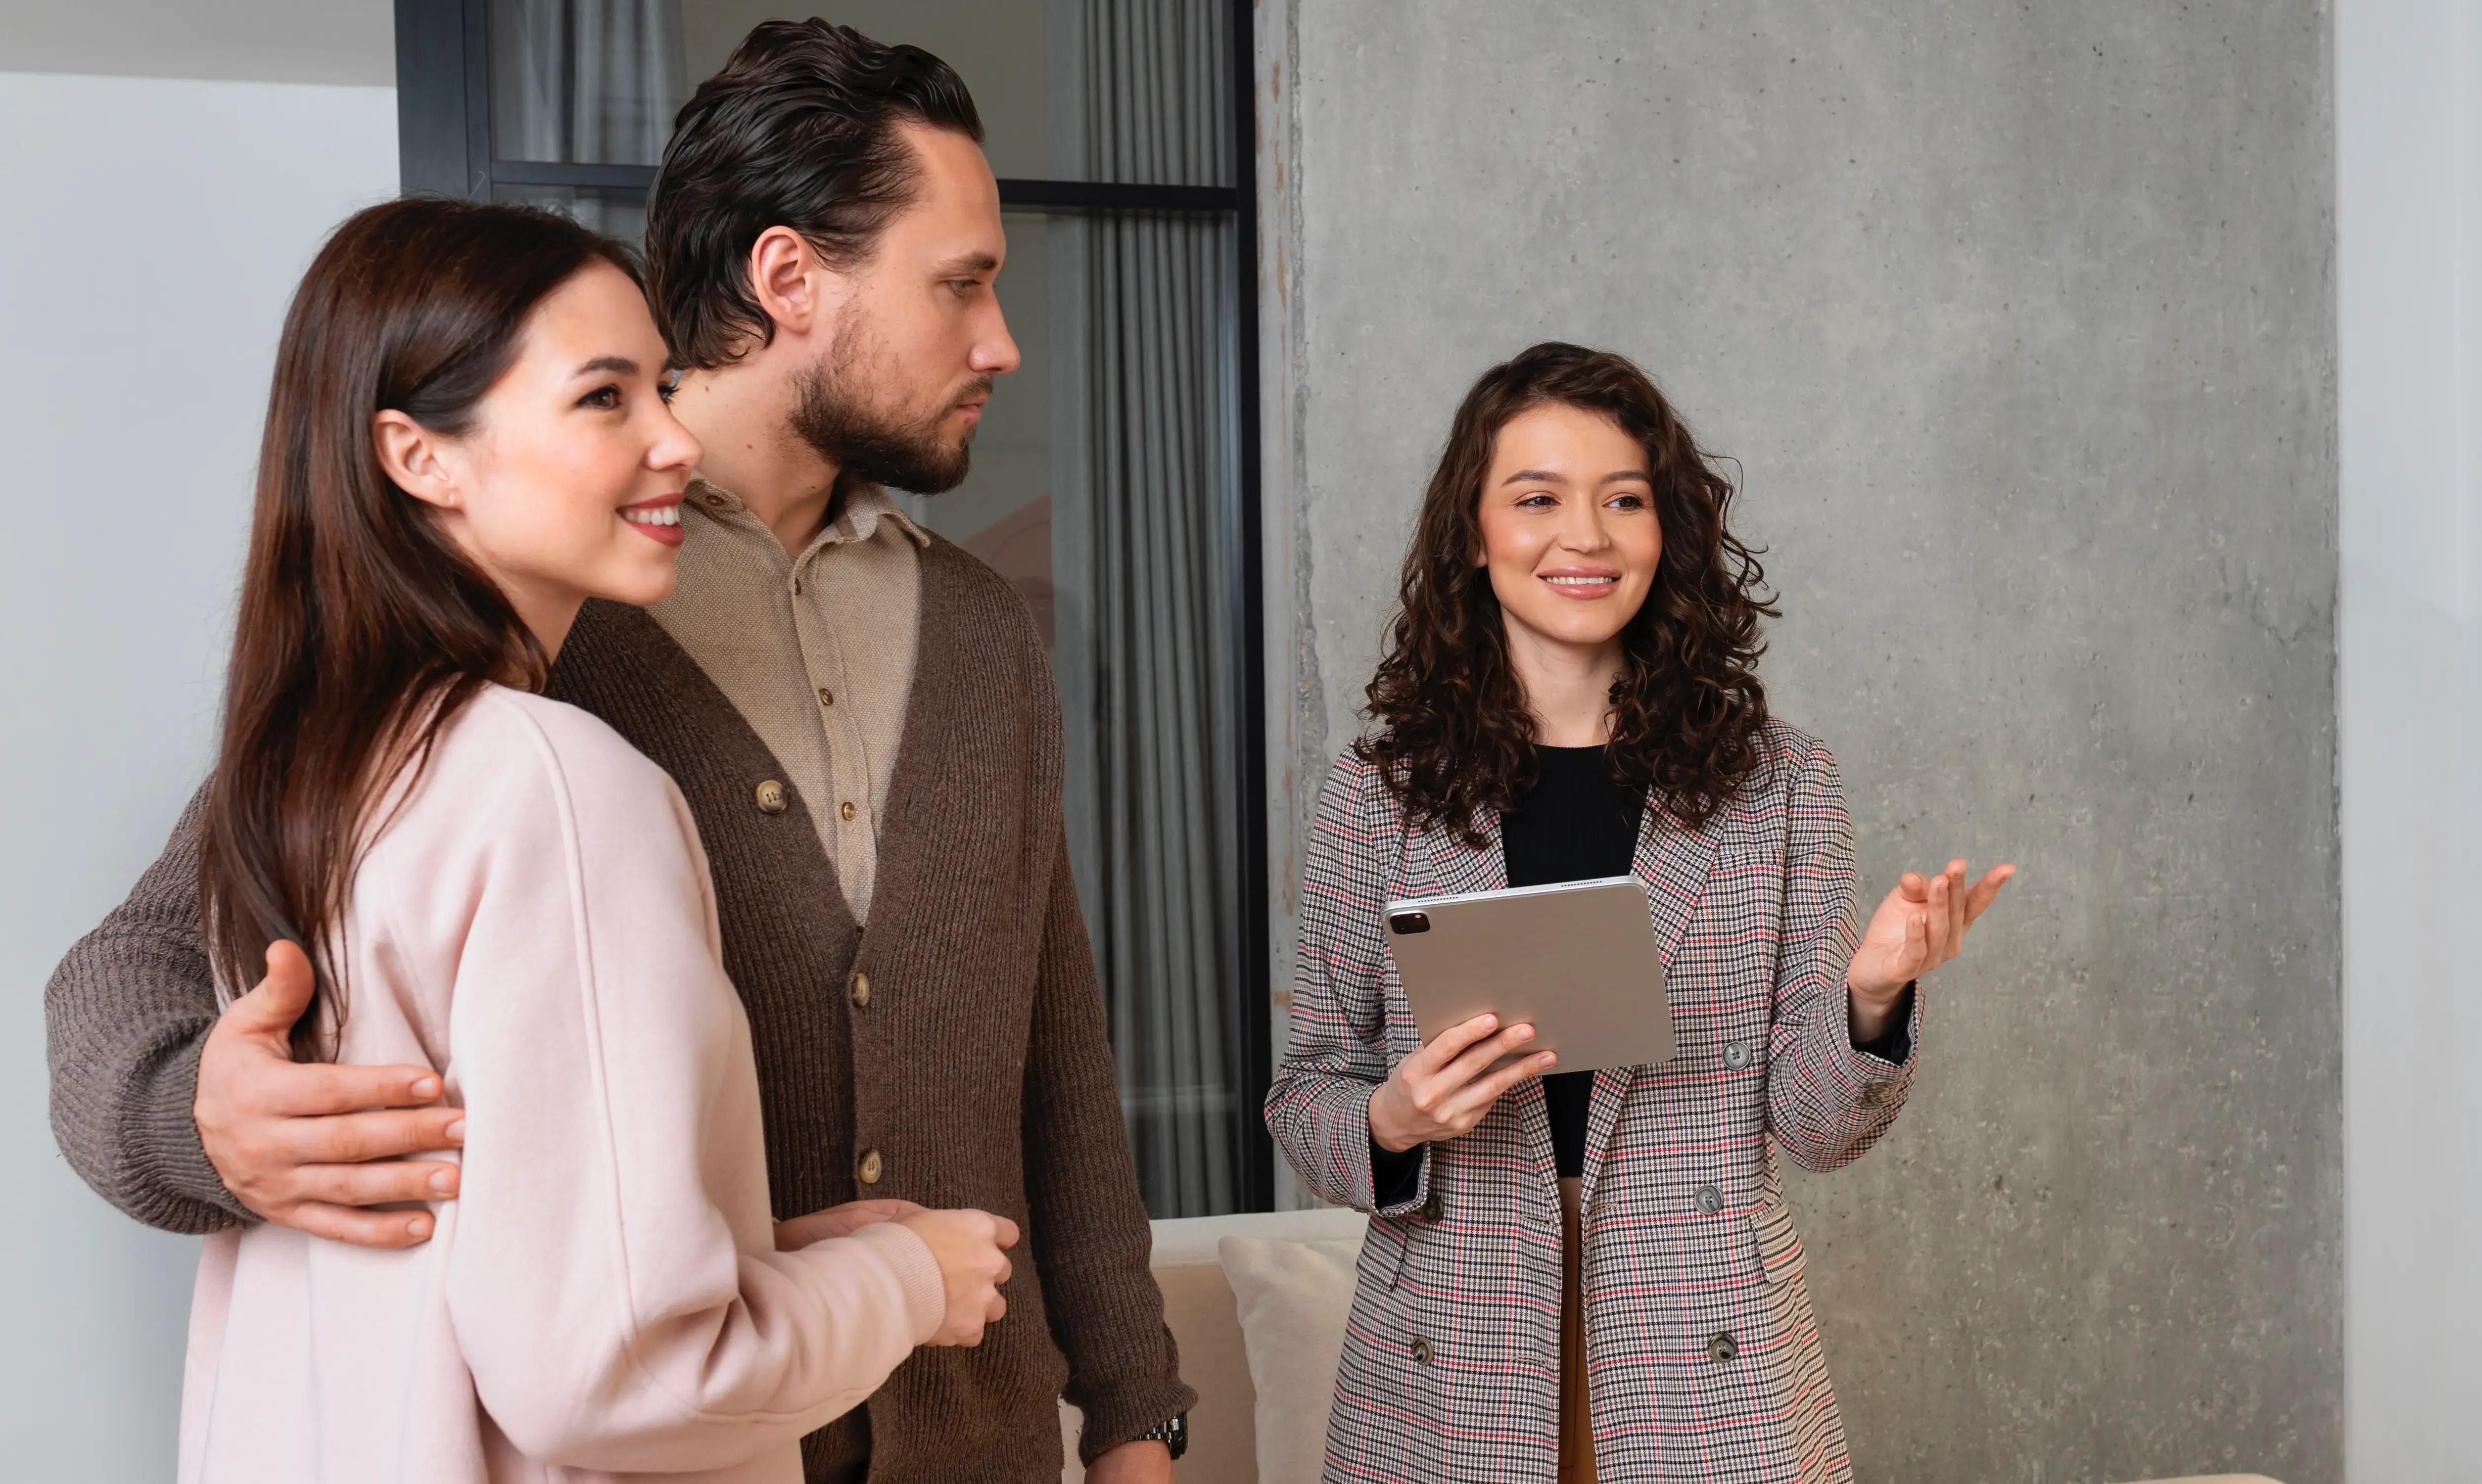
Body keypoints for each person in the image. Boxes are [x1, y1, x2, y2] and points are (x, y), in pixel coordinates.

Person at [46, 22, 1190, 1483]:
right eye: (960, 285)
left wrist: (1137, 1411)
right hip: (686, 1439)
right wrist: (191, 1119)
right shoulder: (530, 603)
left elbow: (1059, 1051)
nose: (1000, 344)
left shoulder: (979, 630)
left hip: (973, 1434)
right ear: (791, 281)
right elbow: (150, 943)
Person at [172, 195, 1015, 1482]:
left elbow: (466, 1266)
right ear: (421, 457)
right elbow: (623, 1375)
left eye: (661, 388)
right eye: (604, 399)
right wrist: (908, 1278)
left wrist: (756, 1260)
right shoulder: (555, 784)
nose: (677, 440)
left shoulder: (303, 781)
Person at [1264, 342, 2016, 1483]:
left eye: (1626, 499)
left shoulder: (1781, 785)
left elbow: (1816, 1129)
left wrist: (1871, 1000)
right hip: (1448, 1358)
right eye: (1538, 499)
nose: (1588, 537)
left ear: (1668, 532)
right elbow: (1304, 1093)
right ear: (1474, 534)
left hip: (1706, 1356)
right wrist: (1394, 1119)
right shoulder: (1377, 795)